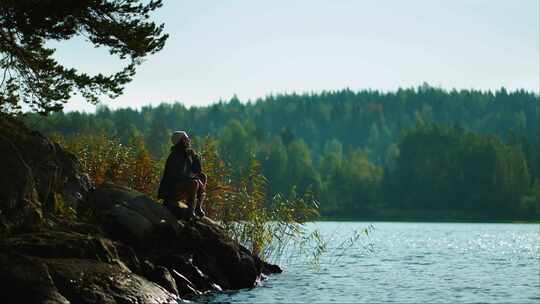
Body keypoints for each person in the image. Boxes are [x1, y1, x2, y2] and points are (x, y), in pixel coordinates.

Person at [158, 131, 207, 219]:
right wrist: (195, 180)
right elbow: (177, 177)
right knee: (194, 183)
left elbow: (198, 171)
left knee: (202, 177)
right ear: (181, 141)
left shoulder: (186, 154)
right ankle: (190, 212)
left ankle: (197, 208)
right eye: (186, 138)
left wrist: (195, 156)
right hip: (171, 191)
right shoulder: (175, 156)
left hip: (181, 186)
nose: (189, 140)